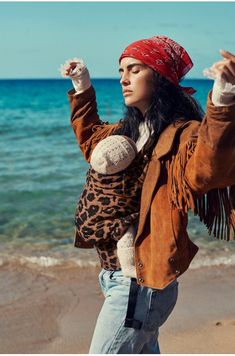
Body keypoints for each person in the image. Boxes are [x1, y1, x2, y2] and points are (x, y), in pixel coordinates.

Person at [61, 35, 235, 353]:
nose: (124, 79)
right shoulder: (128, 131)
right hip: (114, 277)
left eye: (135, 69)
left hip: (139, 284)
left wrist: (222, 101)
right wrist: (82, 85)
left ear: (159, 76)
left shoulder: (182, 135)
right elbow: (92, 143)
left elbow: (209, 167)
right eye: (121, 71)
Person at [74, 134, 144, 278]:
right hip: (122, 277)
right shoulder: (125, 183)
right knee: (126, 231)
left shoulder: (94, 176)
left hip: (87, 222)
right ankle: (129, 267)